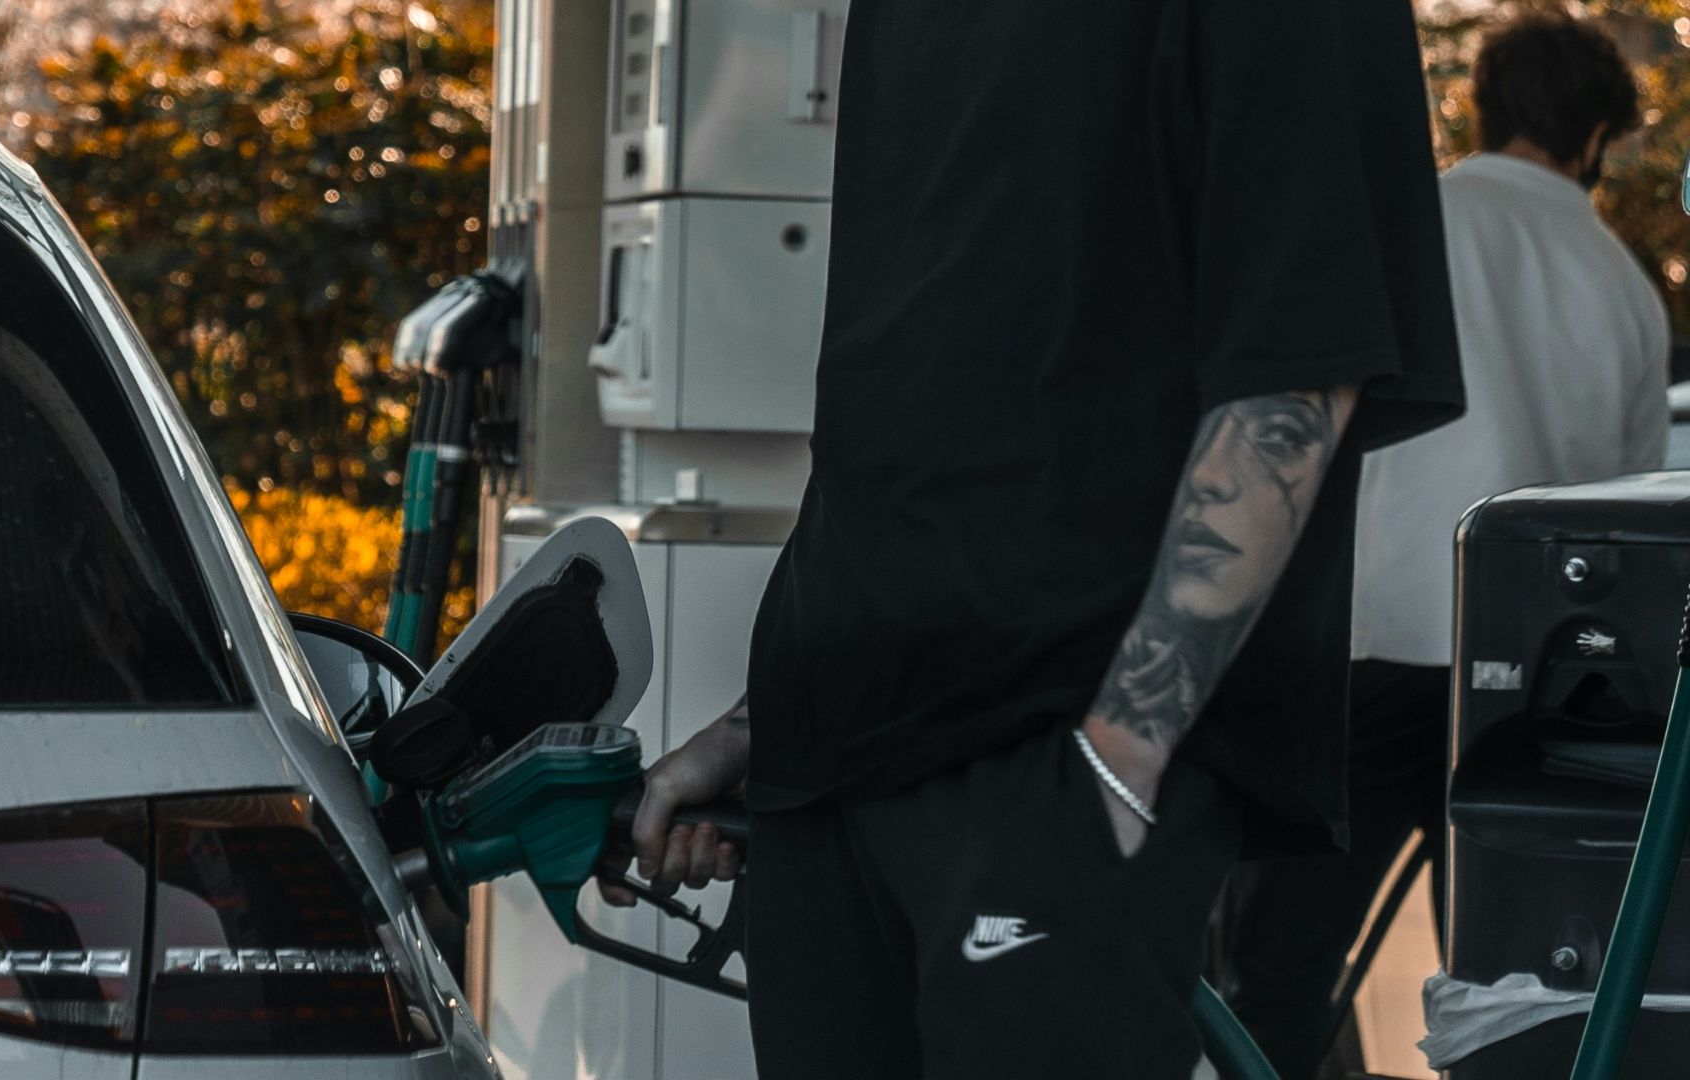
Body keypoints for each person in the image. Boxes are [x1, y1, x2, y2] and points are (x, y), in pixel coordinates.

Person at [611, 2, 1465, 1075]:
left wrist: (1119, 763)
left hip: (1056, 762)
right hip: (828, 760)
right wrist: (763, 723)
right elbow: (913, 401)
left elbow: (1296, 370)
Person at [1217, 14, 1670, 1078]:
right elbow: (1633, 523)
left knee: (1278, 969)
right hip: (1535, 691)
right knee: (1516, 984)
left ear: (1484, 106)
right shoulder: (1625, 290)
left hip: (1374, 649)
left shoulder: (1414, 221)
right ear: (1599, 134)